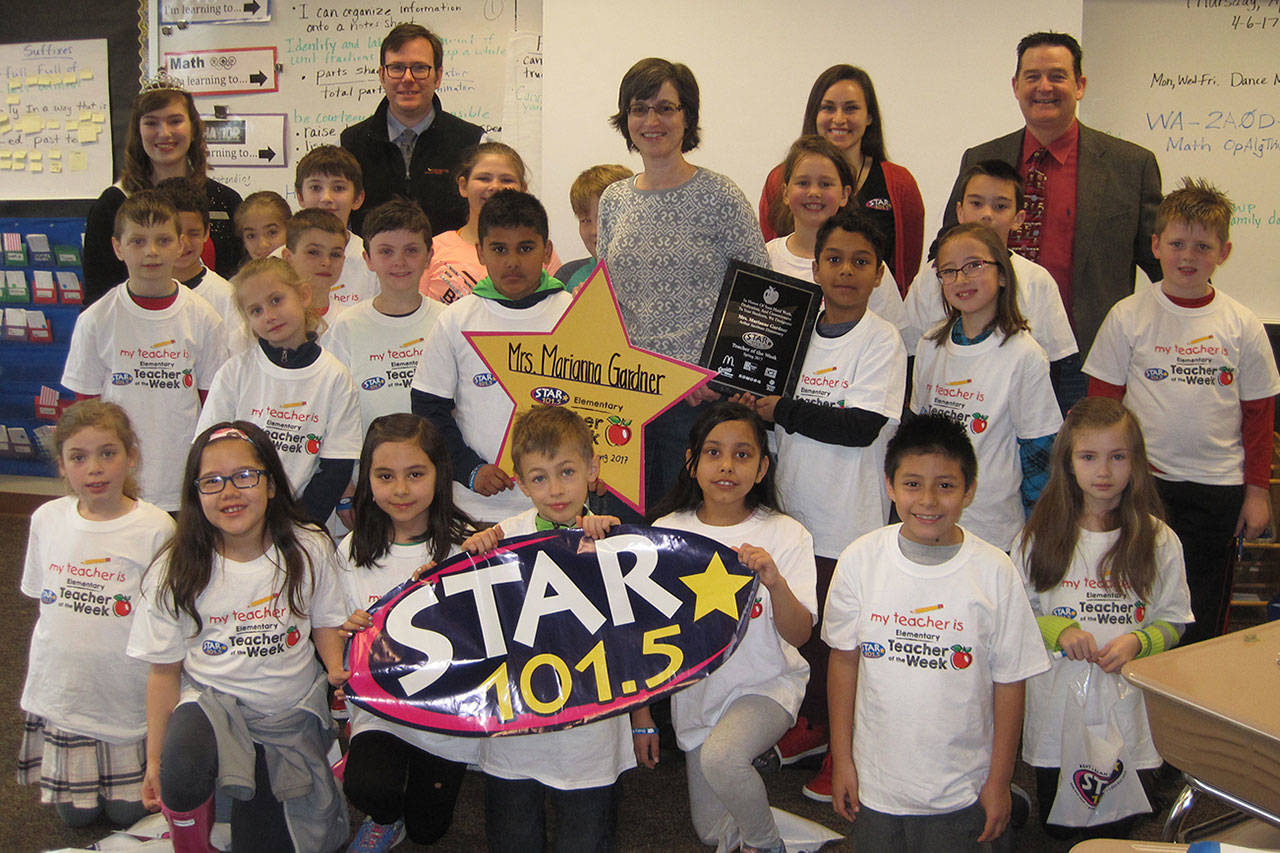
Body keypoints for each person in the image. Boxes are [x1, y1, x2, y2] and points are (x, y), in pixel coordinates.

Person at [739, 209, 907, 800]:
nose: (845, 271)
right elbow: (763, 401)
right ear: (814, 266)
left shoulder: (883, 339)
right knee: (801, 637)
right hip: (792, 515)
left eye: (861, 261)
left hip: (848, 522)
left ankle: (847, 747)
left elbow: (859, 426)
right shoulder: (794, 331)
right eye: (834, 259)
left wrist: (778, 407)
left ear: (880, 273)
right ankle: (811, 728)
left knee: (843, 641)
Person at [824, 413, 1050, 852]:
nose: (928, 500)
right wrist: (842, 761)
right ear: (890, 486)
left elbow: (1010, 681)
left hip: (962, 789)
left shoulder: (994, 571)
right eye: (912, 484)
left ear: (969, 490)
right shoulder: (860, 560)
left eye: (945, 485)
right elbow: (843, 662)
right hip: (877, 785)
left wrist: (1000, 781)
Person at [127, 422, 349, 853]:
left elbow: (325, 622)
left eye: (244, 476)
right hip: (213, 706)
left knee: (266, 841)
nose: (229, 491)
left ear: (270, 484)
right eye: (212, 481)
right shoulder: (175, 568)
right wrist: (155, 762)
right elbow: (163, 673)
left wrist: (338, 669)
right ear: (195, 494)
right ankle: (191, 835)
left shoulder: (309, 547)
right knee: (182, 772)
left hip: (286, 715)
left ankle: (248, 795)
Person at [1084, 178, 1280, 645]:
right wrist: (1098, 480)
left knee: (1202, 606)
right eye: (1176, 244)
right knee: (1136, 598)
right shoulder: (1128, 316)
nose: (1187, 256)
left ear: (1223, 251)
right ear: (1155, 245)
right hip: (1144, 486)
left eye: (1202, 246)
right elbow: (1098, 413)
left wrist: (1256, 493)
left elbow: (1258, 417)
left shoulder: (1242, 325)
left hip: (1219, 490)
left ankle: (1188, 704)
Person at [939, 32, 1163, 412]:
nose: (1044, 87)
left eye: (1057, 76)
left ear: (1080, 85)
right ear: (1015, 86)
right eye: (1032, 76)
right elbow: (947, 246)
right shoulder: (981, 158)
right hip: (989, 351)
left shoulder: (1130, 166)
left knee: (1079, 467)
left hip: (1086, 358)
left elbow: (1162, 263)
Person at [636, 401, 816, 853]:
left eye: (742, 454)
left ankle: (766, 846)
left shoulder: (787, 534)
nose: (727, 466)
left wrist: (774, 584)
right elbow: (641, 637)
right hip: (697, 698)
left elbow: (800, 636)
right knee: (714, 831)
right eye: (713, 452)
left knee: (724, 759)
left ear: (762, 468)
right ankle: (794, 836)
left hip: (767, 685)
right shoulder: (664, 533)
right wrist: (641, 718)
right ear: (691, 462)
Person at [1014, 397, 1192, 840]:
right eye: (1089, 457)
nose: (1104, 472)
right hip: (1057, 708)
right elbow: (1017, 615)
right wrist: (1061, 631)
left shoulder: (1159, 540)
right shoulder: (1037, 538)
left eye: (1118, 457)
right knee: (1061, 828)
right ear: (1068, 463)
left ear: (1136, 462)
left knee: (1122, 826)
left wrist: (1139, 642)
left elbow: (1174, 620)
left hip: (1129, 706)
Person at [597, 58, 769, 511]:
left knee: (680, 535)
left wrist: (718, 374)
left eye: (666, 108)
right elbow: (605, 304)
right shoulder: (614, 200)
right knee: (619, 531)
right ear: (626, 119)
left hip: (696, 402)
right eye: (639, 108)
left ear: (687, 117)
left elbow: (760, 295)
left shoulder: (720, 195)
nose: (652, 121)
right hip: (626, 398)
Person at [458, 406, 633, 853]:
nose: (555, 490)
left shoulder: (618, 537)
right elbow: (456, 613)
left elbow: (637, 627)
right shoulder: (501, 539)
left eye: (567, 472)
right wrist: (468, 561)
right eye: (539, 478)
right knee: (513, 839)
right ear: (519, 481)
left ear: (593, 470)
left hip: (590, 732)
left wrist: (610, 545)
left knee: (586, 840)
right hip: (514, 729)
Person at [18, 402, 175, 829]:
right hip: (67, 691)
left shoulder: (157, 527)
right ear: (62, 465)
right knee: (77, 817)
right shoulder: (46, 519)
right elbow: (43, 603)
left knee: (128, 814)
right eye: (78, 457)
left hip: (123, 695)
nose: (95, 469)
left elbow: (166, 627)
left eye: (108, 453)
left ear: (132, 456)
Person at [335, 414, 478, 852]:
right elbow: (336, 636)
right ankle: (383, 813)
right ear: (367, 480)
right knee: (367, 789)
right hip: (380, 711)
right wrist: (348, 633)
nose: (400, 490)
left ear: (440, 474)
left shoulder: (465, 547)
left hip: (445, 714)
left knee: (429, 831)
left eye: (415, 474)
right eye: (385, 476)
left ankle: (417, 795)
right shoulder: (351, 551)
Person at [410, 189, 573, 524]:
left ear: (547, 251)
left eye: (525, 248)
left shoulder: (576, 314)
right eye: (499, 249)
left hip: (559, 506)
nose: (512, 262)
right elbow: (429, 409)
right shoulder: (456, 319)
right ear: (480, 252)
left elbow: (604, 405)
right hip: (477, 509)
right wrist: (469, 469)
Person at [61, 191, 226, 512]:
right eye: (137, 241)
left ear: (180, 244)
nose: (151, 252)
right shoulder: (95, 320)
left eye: (162, 240)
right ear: (117, 248)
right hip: (117, 481)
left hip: (182, 479)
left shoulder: (204, 317)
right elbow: (84, 415)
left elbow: (213, 407)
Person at [911, 223, 1062, 551]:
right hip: (930, 520)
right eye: (949, 271)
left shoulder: (1025, 354)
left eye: (974, 266)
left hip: (994, 528)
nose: (961, 279)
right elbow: (915, 441)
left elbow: (1039, 454)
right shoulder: (929, 346)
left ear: (1003, 275)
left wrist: (1039, 534)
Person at [196, 257, 363, 526]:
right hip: (238, 520)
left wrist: (298, 526)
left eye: (276, 300)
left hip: (301, 522)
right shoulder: (234, 372)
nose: (269, 316)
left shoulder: (335, 377)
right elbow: (208, 449)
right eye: (256, 310)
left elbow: (336, 466)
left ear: (304, 295)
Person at [902, 160, 1076, 372]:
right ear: (960, 211)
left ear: (1018, 218)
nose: (987, 214)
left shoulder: (1036, 280)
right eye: (976, 203)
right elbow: (910, 354)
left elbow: (1060, 363)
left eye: (1000, 206)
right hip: (943, 396)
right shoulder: (931, 275)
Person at [759, 65, 925, 287]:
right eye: (828, 108)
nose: (839, 119)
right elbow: (767, 265)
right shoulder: (779, 179)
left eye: (850, 109)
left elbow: (905, 271)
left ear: (869, 117)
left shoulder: (899, 184)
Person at [83, 85, 242, 304]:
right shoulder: (113, 205)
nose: (164, 133)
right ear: (138, 131)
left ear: (193, 128)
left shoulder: (226, 202)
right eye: (151, 123)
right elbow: (98, 297)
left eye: (175, 121)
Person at [341, 23, 484, 236]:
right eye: (397, 68)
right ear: (382, 75)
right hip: (371, 268)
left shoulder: (473, 144)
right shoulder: (349, 145)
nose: (408, 79)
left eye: (419, 68)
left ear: (438, 76)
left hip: (449, 267)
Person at [325, 199, 444, 434]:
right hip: (369, 463)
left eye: (411, 250)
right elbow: (331, 405)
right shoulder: (346, 326)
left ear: (429, 256)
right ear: (367, 259)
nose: (399, 262)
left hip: (437, 462)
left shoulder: (448, 321)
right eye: (386, 252)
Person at [764, 136, 905, 331]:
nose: (814, 192)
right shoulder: (765, 258)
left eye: (825, 184)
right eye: (803, 183)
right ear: (786, 193)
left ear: (845, 194)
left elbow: (895, 337)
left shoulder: (866, 263)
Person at [421, 142, 561, 304]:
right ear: (463, 186)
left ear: (523, 189)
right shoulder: (434, 250)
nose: (495, 187)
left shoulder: (537, 251)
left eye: (506, 179)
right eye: (483, 178)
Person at [292, 145, 380, 318]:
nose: (326, 198)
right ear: (300, 196)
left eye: (338, 188)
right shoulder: (278, 260)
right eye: (316, 188)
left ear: (357, 198)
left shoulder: (373, 261)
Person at [155, 177, 240, 332]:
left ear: (206, 232)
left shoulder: (226, 297)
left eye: (193, 233)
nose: (184, 243)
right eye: (173, 234)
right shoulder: (141, 291)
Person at [555, 163, 634, 292]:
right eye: (585, 220)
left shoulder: (654, 273)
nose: (595, 231)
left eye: (605, 219)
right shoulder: (568, 276)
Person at [281, 208, 349, 319]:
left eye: (335, 254)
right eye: (313, 252)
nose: (326, 262)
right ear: (288, 258)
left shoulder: (349, 321)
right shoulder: (267, 322)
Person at [235, 191, 291, 261]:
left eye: (272, 232)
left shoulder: (306, 270)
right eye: (251, 236)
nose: (262, 245)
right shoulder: (243, 271)